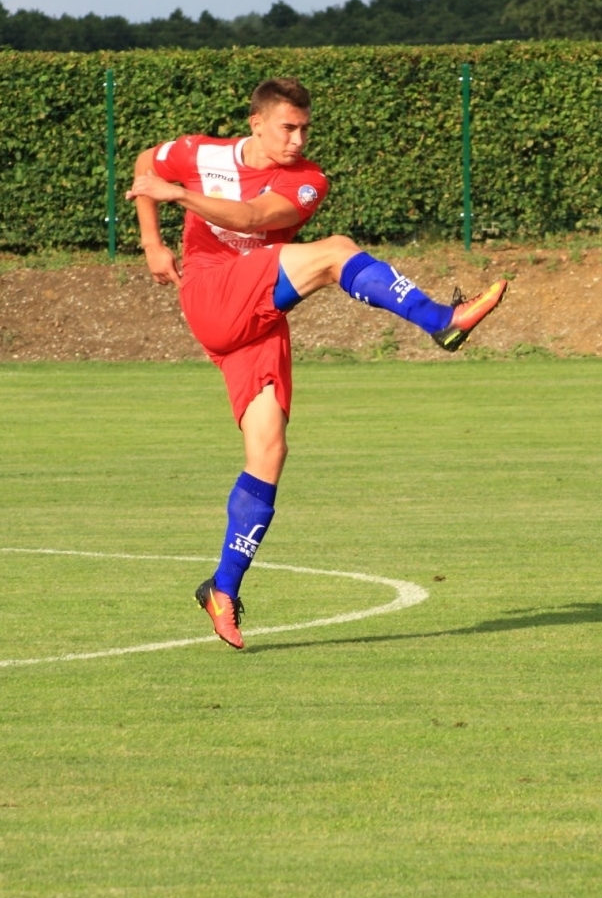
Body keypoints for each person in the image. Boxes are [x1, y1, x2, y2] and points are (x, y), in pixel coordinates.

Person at [127, 77, 507, 649]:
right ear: (255, 122)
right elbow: (145, 167)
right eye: (288, 127)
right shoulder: (200, 153)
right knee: (336, 252)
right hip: (211, 295)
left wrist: (179, 197)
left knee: (269, 451)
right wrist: (152, 241)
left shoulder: (308, 181)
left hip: (256, 315)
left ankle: (222, 587)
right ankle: (440, 321)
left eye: (305, 127)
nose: (299, 139)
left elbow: (253, 218)